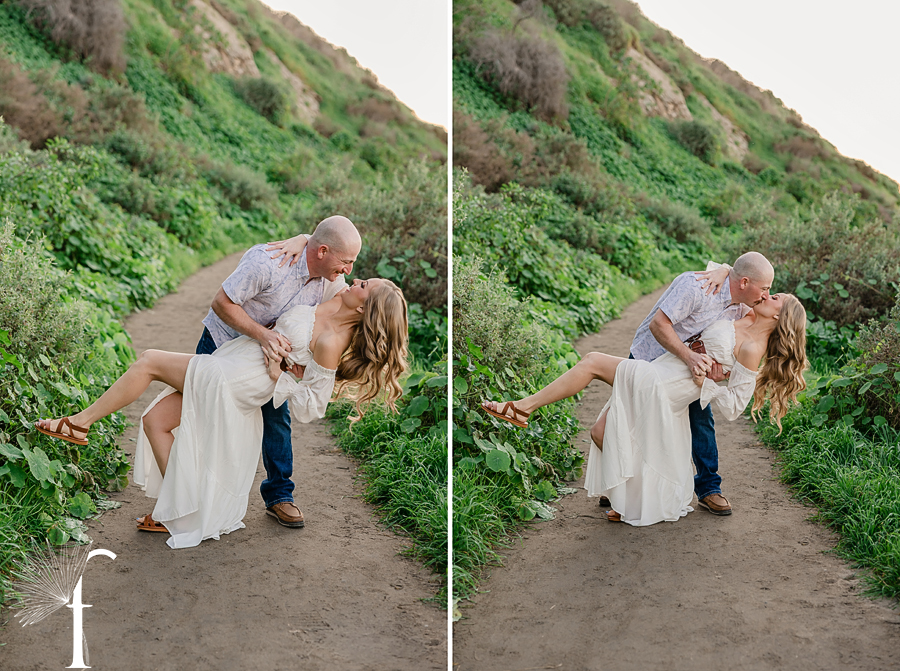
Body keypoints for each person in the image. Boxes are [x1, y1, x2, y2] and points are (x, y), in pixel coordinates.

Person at [35, 264, 409, 548]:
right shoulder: (333, 297)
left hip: (235, 379)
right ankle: (180, 509)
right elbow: (330, 249)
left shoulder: (331, 340)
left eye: (364, 286)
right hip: (231, 364)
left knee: (148, 360)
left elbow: (312, 408)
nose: (356, 279)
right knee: (154, 422)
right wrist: (301, 239)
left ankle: (79, 423)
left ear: (364, 310)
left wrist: (280, 375)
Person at [482, 263, 808, 527]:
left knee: (594, 361)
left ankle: (522, 408)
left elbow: (736, 406)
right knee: (600, 432)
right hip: (662, 367)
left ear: (779, 317)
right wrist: (724, 270)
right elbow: (733, 277)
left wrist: (708, 382)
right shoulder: (740, 310)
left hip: (668, 384)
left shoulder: (753, 348)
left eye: (774, 296)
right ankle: (626, 495)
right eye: (767, 290)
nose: (767, 295)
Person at [198, 215, 360, 529]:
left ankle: (279, 495)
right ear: (324, 251)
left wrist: (305, 237)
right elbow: (221, 303)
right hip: (223, 342)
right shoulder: (269, 262)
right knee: (201, 415)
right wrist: (264, 335)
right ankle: (195, 491)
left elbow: (357, 300)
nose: (350, 271)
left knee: (277, 419)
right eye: (347, 261)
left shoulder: (330, 279)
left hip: (271, 362)